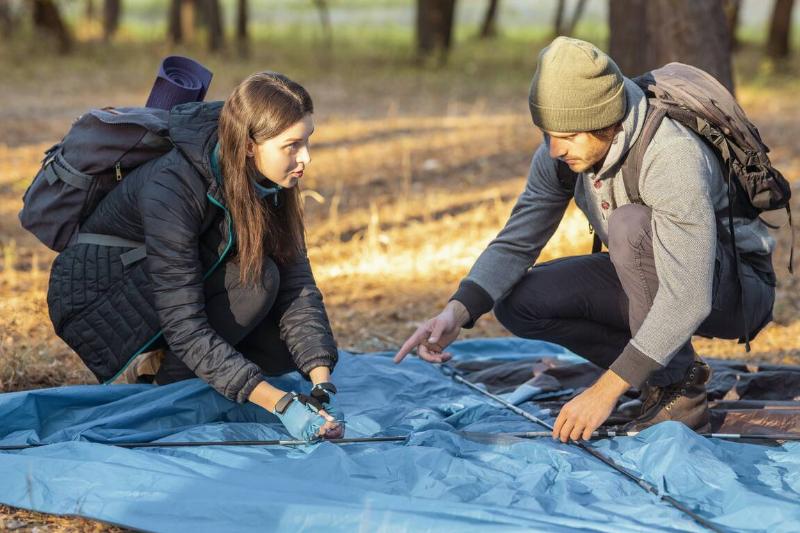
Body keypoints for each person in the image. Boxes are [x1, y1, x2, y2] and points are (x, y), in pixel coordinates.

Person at [394, 37, 776, 443]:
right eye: (547, 133)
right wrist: (456, 311)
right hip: (652, 275)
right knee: (520, 303)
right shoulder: (561, 153)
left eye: (569, 135)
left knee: (630, 226)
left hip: (733, 290)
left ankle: (677, 393)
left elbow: (689, 296)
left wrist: (605, 390)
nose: (556, 149)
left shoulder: (670, 154)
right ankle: (658, 377)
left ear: (607, 121)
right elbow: (517, 241)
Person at [47, 72, 343, 442]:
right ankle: (163, 384)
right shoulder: (173, 184)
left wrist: (321, 383)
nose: (306, 158)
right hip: (101, 298)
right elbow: (185, 324)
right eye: (292, 146)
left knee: (281, 349)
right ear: (250, 145)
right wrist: (280, 403)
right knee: (255, 283)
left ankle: (177, 367)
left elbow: (298, 286)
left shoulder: (273, 181)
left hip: (171, 282)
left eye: (308, 141)